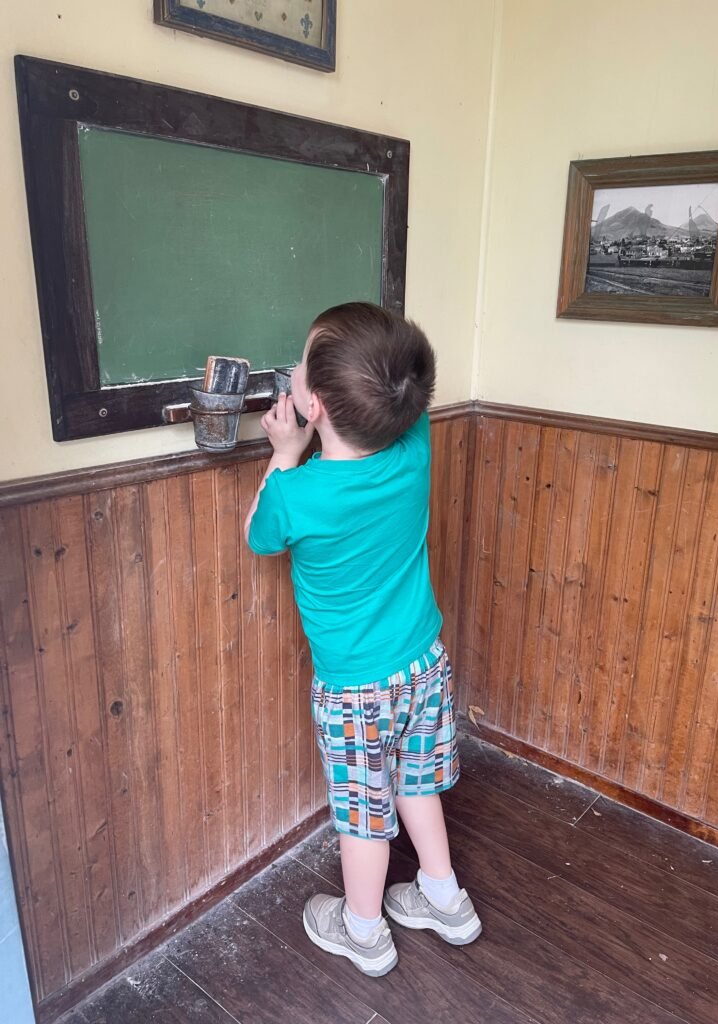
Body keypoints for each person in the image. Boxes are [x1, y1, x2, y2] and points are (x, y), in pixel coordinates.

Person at [244, 302, 481, 977]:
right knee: (416, 783)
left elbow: (260, 534)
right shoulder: (415, 445)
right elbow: (397, 398)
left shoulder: (301, 493)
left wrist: (284, 458)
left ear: (311, 404)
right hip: (422, 664)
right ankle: (444, 897)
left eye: (299, 362)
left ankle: (364, 930)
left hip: (354, 690)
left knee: (362, 817)